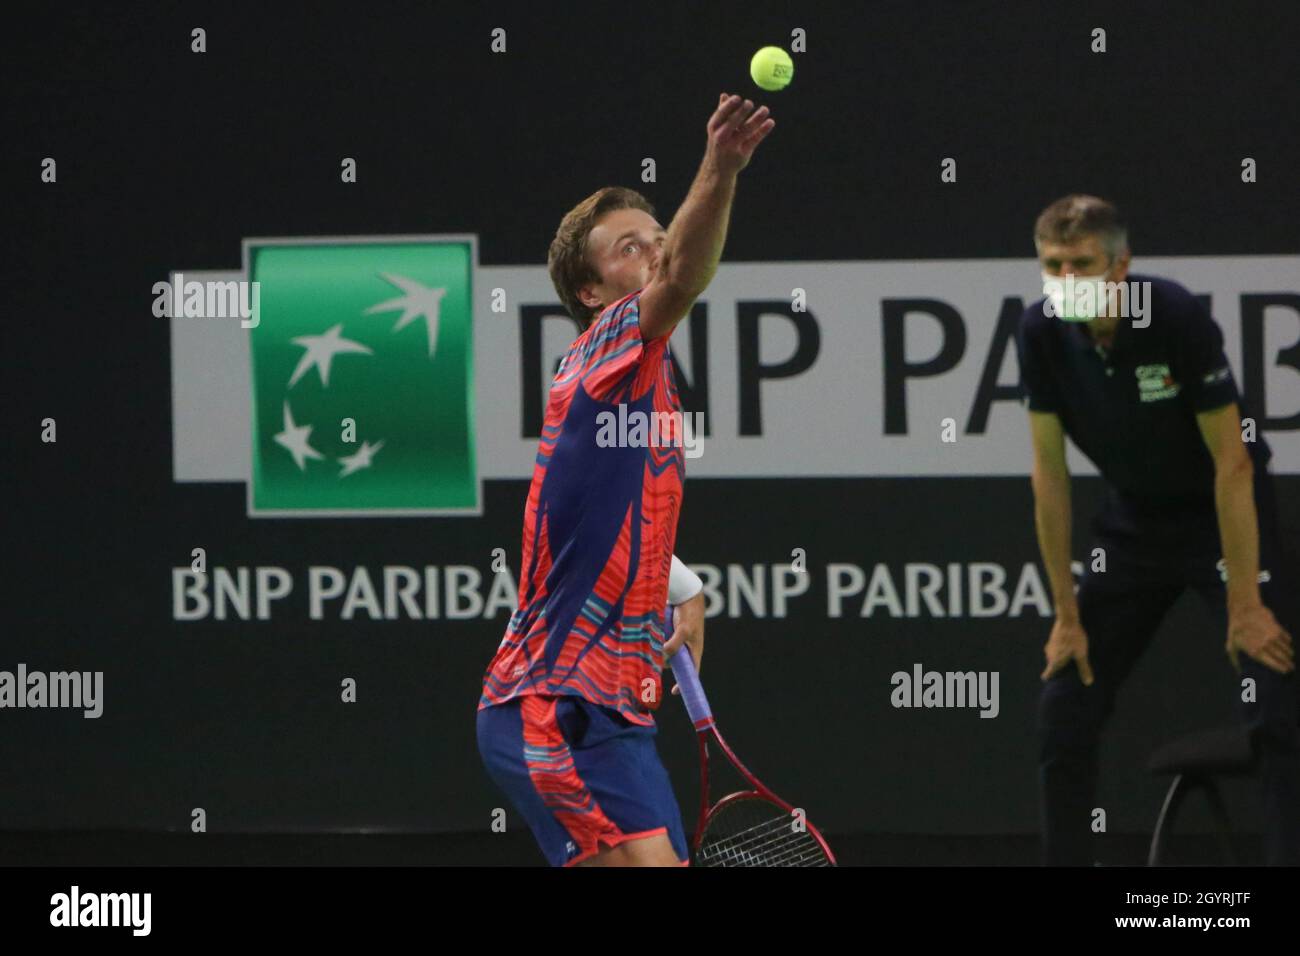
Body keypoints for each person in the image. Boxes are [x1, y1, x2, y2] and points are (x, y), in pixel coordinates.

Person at [476, 94, 775, 867]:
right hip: (552, 704)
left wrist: (688, 589)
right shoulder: (604, 355)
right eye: (627, 248)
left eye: (655, 238)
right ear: (592, 292)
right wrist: (722, 165)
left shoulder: (645, 388)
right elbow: (682, 274)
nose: (651, 251)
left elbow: (593, 518)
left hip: (622, 715)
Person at [1016, 194, 1298, 865]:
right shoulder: (1038, 332)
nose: (1066, 280)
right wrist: (1064, 615)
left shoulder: (1171, 313)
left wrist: (1246, 604)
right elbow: (1048, 477)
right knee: (1065, 707)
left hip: (1220, 518)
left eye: (1081, 264)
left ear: (1121, 266)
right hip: (1133, 527)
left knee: (1275, 706)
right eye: (1052, 265)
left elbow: (1231, 463)